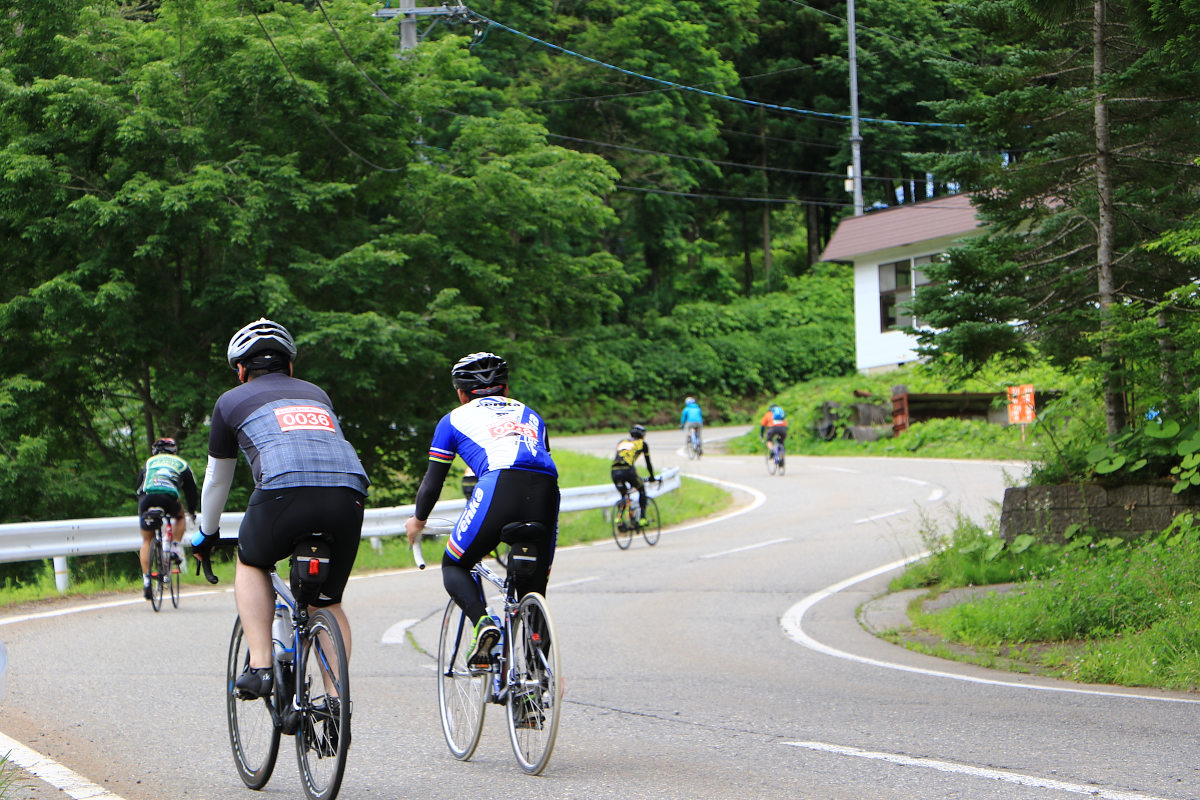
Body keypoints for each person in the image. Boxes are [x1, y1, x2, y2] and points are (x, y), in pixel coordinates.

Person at [191, 318, 370, 700]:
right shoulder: (317, 394)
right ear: (289, 365)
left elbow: (217, 478)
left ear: (241, 370)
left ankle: (259, 666)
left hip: (283, 491)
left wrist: (208, 532)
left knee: (252, 561)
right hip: (349, 494)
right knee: (329, 601)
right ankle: (335, 703)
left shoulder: (229, 401)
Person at [405, 352, 559, 672]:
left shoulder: (453, 419)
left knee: (455, 564)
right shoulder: (531, 414)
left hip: (500, 485)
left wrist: (418, 521)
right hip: (547, 491)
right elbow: (536, 459)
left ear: (461, 393)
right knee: (533, 590)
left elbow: (433, 482)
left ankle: (483, 624)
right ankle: (532, 693)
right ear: (505, 388)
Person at [135, 437, 199, 600]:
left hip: (147, 499)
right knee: (180, 517)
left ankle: (147, 581)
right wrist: (192, 510)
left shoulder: (149, 463)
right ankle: (175, 547)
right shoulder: (181, 463)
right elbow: (191, 490)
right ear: (174, 451)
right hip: (168, 498)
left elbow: (138, 486)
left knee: (147, 541)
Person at [610, 424, 657, 526]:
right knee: (641, 489)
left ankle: (619, 518)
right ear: (642, 435)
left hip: (614, 470)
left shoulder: (621, 442)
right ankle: (643, 518)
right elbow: (648, 463)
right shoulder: (642, 444)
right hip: (628, 470)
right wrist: (652, 476)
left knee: (624, 494)